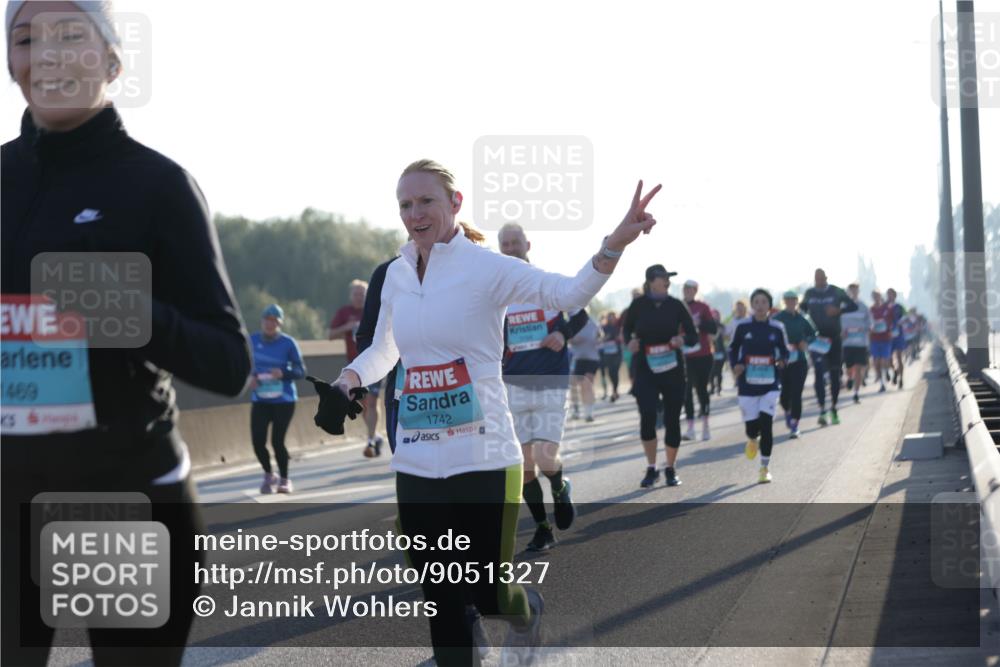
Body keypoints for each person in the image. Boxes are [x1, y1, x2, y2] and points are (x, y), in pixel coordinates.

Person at [320, 159, 660, 666]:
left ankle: (528, 612)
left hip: (483, 453)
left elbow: (566, 294)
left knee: (488, 593)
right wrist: (348, 378)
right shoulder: (394, 274)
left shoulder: (487, 268)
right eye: (405, 205)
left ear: (455, 204)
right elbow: (387, 350)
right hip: (417, 458)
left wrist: (614, 243)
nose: (415, 214)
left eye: (426, 201)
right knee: (441, 597)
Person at [2, 3, 253, 664]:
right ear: (11, 63)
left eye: (69, 35)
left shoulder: (157, 185)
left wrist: (123, 308)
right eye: (26, 38)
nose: (47, 54)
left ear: (113, 60)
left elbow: (228, 362)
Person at [497, 222, 589, 553]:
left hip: (551, 380)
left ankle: (560, 487)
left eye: (515, 242)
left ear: (527, 245)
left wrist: (562, 334)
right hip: (513, 385)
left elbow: (581, 316)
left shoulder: (547, 284)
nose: (510, 248)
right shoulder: (496, 295)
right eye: (504, 244)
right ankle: (542, 528)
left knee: (545, 456)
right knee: (523, 464)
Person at [624, 265, 698, 488]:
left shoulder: (676, 305)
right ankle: (651, 467)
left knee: (672, 418)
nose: (667, 281)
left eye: (668, 278)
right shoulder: (638, 305)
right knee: (647, 416)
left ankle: (671, 468)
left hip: (673, 368)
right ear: (651, 281)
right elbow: (626, 331)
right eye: (663, 277)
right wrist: (630, 342)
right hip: (645, 367)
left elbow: (693, 335)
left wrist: (681, 341)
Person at [729, 289, 789, 484]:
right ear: (752, 305)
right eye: (757, 302)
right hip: (747, 384)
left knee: (767, 425)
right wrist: (735, 366)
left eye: (764, 302)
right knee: (752, 429)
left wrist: (782, 360)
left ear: (769, 305)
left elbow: (785, 352)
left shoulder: (777, 328)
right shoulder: (742, 327)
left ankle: (764, 467)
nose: (760, 305)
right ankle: (753, 439)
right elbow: (733, 349)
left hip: (770, 384)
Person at [249, 304, 306, 494]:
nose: (270, 324)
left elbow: (300, 371)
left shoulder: (288, 343)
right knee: (257, 441)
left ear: (279, 323)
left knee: (277, 441)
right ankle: (268, 474)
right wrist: (250, 379)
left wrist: (282, 372)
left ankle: (284, 479)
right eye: (267, 320)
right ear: (262, 321)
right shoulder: (252, 341)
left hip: (284, 400)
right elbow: (242, 365)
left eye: (274, 321)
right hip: (261, 399)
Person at [329, 280, 385, 455]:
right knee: (361, 404)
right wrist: (347, 327)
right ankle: (375, 435)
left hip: (374, 362)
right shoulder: (344, 313)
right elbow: (330, 334)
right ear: (351, 296)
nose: (359, 297)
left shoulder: (376, 310)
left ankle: (370, 441)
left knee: (372, 400)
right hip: (354, 365)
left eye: (362, 294)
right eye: (356, 294)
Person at [801, 268, 858, 426]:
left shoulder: (836, 291)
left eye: (821, 278)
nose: (818, 281)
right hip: (817, 340)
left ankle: (833, 408)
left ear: (826, 277)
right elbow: (801, 310)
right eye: (816, 278)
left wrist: (839, 310)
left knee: (835, 376)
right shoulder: (809, 293)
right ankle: (822, 410)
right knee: (819, 373)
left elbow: (853, 306)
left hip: (834, 339)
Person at [773, 291, 815, 438]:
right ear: (784, 301)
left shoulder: (803, 318)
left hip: (800, 359)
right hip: (783, 360)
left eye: (794, 299)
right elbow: (771, 334)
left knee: (797, 393)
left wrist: (806, 342)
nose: (791, 302)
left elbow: (813, 333)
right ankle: (788, 412)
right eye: (788, 300)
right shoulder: (778, 318)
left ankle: (795, 425)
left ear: (797, 301)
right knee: (785, 395)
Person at [681, 279, 718, 441]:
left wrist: (699, 323)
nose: (687, 291)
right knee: (686, 391)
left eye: (691, 289)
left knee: (702, 390)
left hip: (703, 354)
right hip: (685, 356)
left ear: (696, 290)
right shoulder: (678, 306)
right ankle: (690, 428)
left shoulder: (703, 307)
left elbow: (712, 329)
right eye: (685, 288)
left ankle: (705, 425)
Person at [840, 283, 871, 405]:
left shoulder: (863, 307)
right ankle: (850, 378)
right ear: (848, 292)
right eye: (851, 290)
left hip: (861, 343)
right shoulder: (843, 307)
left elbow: (870, 323)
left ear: (858, 292)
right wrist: (841, 332)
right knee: (849, 368)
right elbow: (838, 322)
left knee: (859, 368)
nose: (853, 292)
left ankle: (856, 393)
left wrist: (863, 329)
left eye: (855, 290)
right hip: (847, 344)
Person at [568, 314, 601, 423]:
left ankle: (589, 412)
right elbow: (567, 339)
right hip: (577, 358)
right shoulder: (571, 322)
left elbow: (600, 336)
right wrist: (573, 340)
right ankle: (576, 409)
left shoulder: (593, 322)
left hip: (592, 358)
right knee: (574, 385)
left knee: (587, 383)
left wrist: (598, 340)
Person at [868, 289, 894, 392]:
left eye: (877, 296)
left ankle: (883, 383)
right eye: (874, 296)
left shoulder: (887, 308)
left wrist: (890, 328)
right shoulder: (871, 310)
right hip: (874, 338)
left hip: (885, 338)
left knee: (884, 360)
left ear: (880, 296)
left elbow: (892, 321)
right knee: (876, 362)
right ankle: (881, 377)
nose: (876, 298)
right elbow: (868, 322)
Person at [598, 311, 623, 402]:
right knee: (611, 372)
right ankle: (614, 390)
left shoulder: (618, 327)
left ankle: (615, 391)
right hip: (607, 353)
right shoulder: (604, 328)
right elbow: (599, 338)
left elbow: (621, 337)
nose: (612, 318)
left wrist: (619, 338)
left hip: (617, 352)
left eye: (613, 316)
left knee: (615, 371)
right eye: (610, 316)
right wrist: (604, 338)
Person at [886, 288, 907, 388]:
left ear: (895, 296)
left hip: (898, 335)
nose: (890, 296)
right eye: (888, 294)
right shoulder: (884, 306)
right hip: (888, 336)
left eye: (891, 294)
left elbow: (906, 317)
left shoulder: (899, 307)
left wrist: (901, 321)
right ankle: (895, 371)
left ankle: (901, 379)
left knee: (899, 357)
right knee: (888, 359)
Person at [709, 309, 726, 396]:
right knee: (711, 371)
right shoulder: (709, 326)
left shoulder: (722, 326)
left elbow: (724, 336)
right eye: (714, 315)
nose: (715, 317)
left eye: (717, 315)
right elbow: (711, 338)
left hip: (721, 351)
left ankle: (719, 387)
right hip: (711, 351)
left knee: (719, 371)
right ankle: (712, 387)